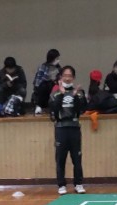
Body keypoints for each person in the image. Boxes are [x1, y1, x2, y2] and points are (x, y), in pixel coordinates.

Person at [49, 65, 87, 195]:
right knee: (60, 158)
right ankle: (61, 185)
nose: (67, 78)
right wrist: (61, 94)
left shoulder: (79, 93)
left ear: (73, 77)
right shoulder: (55, 93)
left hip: (74, 128)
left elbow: (81, 110)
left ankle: (78, 184)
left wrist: (76, 96)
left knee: (77, 158)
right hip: (61, 128)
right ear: (61, 77)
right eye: (65, 75)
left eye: (70, 76)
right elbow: (53, 112)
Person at [32, 48, 61, 116]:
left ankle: (54, 107)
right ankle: (39, 106)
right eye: (56, 58)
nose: (58, 60)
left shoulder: (58, 68)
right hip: (44, 87)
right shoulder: (43, 67)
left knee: (56, 87)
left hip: (54, 86)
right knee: (44, 85)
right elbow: (38, 81)